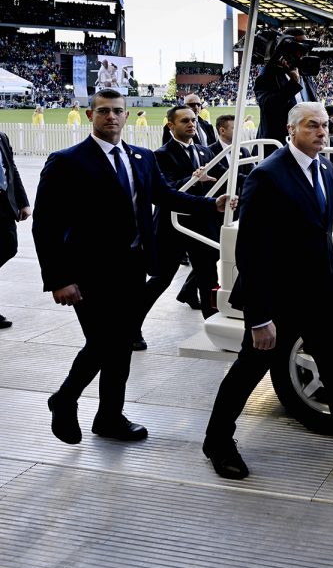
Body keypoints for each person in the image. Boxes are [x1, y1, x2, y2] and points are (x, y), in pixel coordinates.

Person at [203, 102, 333, 481]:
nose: (322, 132)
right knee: (248, 373)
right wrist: (260, 318)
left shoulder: (324, 167)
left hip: (321, 295)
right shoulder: (267, 176)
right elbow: (249, 252)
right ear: (291, 129)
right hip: (277, 300)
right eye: (313, 126)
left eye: (325, 126)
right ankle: (217, 442)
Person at [33, 89, 232, 446]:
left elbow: (166, 195)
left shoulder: (140, 157)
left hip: (131, 268)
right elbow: (45, 225)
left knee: (120, 343)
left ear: (127, 117)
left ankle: (109, 416)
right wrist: (60, 279)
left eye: (118, 111)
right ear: (91, 116)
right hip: (88, 273)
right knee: (104, 341)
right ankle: (65, 398)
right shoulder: (67, 161)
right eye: (104, 111)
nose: (111, 117)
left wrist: (210, 205)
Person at [141, 105, 222, 332]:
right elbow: (164, 190)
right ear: (171, 125)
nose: (191, 124)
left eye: (193, 120)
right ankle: (131, 327)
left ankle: (213, 327)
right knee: (161, 280)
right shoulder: (160, 155)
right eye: (184, 120)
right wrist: (194, 179)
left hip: (202, 226)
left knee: (208, 278)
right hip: (173, 226)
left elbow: (223, 175)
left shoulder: (206, 152)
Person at [254, 30, 320, 151]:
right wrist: (292, 85)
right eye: (299, 49)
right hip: (276, 149)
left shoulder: (305, 75)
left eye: (305, 50)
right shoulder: (268, 76)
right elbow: (268, 106)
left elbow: (315, 109)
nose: (302, 54)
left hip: (303, 147)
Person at [0, 129, 32, 329]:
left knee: (8, 247)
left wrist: (23, 202)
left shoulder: (1, 137)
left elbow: (11, 168)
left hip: (3, 204)